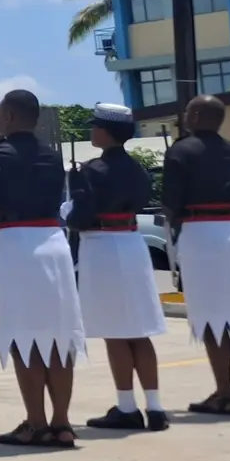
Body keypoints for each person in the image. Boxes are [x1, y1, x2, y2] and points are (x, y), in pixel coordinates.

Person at [0, 88, 87, 448]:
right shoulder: (51, 157)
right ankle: (62, 423)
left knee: (23, 338)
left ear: (10, 117)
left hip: (13, 245)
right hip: (53, 244)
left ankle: (36, 423)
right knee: (59, 337)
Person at [66, 103, 169, 432]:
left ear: (106, 132)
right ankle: (155, 407)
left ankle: (127, 406)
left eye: (95, 126)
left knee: (115, 332)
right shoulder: (138, 170)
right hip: (131, 243)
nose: (92, 130)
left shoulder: (90, 171)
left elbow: (79, 216)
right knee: (139, 330)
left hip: (102, 247)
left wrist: (67, 211)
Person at [163, 95, 230, 416]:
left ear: (193, 115)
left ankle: (224, 393)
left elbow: (170, 201)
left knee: (211, 318)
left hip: (200, 232)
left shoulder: (180, 150)